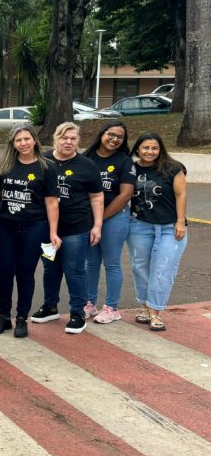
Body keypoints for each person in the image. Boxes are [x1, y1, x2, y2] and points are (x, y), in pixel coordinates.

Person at [31, 122, 103, 335]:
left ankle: (77, 313)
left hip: (76, 227)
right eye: (64, 137)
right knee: (50, 268)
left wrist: (97, 225)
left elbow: (97, 197)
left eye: (73, 138)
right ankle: (50, 306)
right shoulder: (42, 160)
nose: (68, 142)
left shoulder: (86, 165)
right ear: (55, 139)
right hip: (46, 227)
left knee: (74, 270)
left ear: (78, 142)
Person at [0, 125, 60, 338]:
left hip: (34, 227)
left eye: (27, 139)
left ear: (34, 140)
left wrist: (53, 232)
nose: (23, 143)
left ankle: (21, 318)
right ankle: (3, 315)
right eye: (18, 140)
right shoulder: (5, 167)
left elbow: (52, 202)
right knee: (4, 272)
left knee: (25, 274)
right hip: (6, 227)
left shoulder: (47, 167)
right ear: (13, 143)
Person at [127, 132, 188, 331]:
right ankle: (144, 307)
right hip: (139, 225)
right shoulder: (131, 168)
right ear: (137, 149)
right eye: (145, 148)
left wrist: (180, 222)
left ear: (160, 149)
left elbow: (181, 195)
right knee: (140, 267)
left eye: (154, 148)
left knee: (163, 270)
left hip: (169, 227)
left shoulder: (173, 168)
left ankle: (156, 312)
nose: (150, 152)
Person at [83, 121, 136, 324]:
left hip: (114, 217)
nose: (114, 139)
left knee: (112, 263)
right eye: (110, 134)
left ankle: (112, 307)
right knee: (91, 263)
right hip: (89, 218)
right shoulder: (87, 158)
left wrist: (100, 218)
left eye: (119, 137)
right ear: (102, 134)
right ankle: (89, 303)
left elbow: (125, 195)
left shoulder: (124, 161)